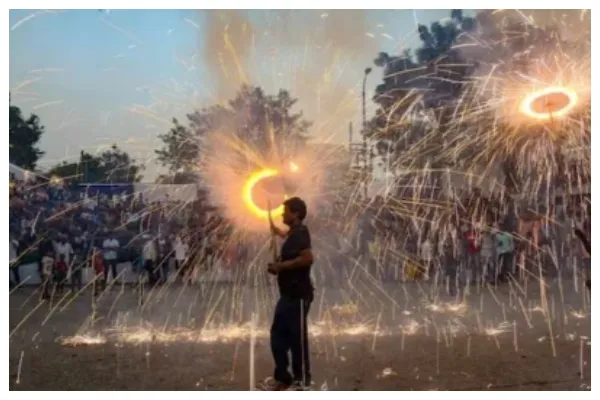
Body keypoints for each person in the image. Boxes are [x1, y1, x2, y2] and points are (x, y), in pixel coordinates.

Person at [264, 197, 314, 391]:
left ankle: (300, 381)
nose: (282, 214)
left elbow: (307, 258)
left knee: (295, 339)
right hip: (289, 295)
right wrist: (279, 233)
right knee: (279, 334)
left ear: (296, 214)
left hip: (298, 295)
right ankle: (284, 377)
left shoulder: (301, 233)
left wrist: (280, 266)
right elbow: (293, 241)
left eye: (286, 211)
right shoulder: (295, 233)